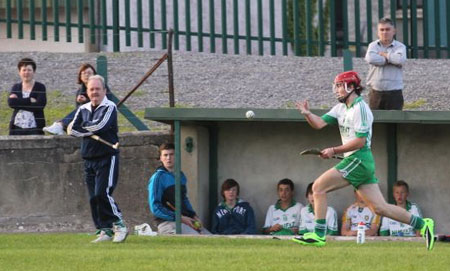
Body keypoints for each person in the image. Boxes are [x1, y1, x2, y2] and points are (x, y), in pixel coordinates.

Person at [292, 70, 435, 250]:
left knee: (318, 187)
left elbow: (360, 142)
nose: (336, 90)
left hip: (359, 159)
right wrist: (307, 113)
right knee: (380, 208)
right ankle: (423, 225)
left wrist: (333, 150)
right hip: (358, 162)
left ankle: (319, 235)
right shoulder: (340, 108)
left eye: (339, 86)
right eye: (335, 86)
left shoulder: (362, 108)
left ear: (351, 87)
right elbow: (319, 123)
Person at [68, 75, 128, 243]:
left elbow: (100, 126)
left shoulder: (110, 107)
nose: (94, 92)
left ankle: (119, 224)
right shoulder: (83, 108)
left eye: (97, 89)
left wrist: (83, 128)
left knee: (103, 193)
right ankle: (105, 230)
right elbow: (72, 129)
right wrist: (86, 130)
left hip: (107, 156)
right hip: (89, 157)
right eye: (91, 89)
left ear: (104, 90)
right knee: (93, 197)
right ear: (87, 91)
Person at [148, 143, 210, 235]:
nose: (168, 158)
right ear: (160, 158)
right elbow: (155, 207)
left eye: (172, 154)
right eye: (165, 155)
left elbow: (184, 199)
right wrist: (178, 218)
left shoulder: (181, 176)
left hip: (185, 220)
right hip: (167, 223)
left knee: (211, 236)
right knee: (198, 238)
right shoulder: (158, 177)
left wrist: (193, 215)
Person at [44, 63, 111, 135]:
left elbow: (106, 102)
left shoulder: (101, 86)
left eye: (89, 73)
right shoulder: (80, 92)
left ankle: (61, 125)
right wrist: (82, 102)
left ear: (94, 75)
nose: (86, 75)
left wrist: (86, 101)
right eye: (84, 73)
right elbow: (78, 111)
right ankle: (62, 126)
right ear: (80, 76)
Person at [365, 17, 406, 110]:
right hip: (376, 92)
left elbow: (399, 60)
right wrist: (390, 60)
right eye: (382, 30)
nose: (384, 32)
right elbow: (370, 59)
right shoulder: (373, 46)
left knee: (394, 123)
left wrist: (384, 54)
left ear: (394, 31)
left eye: (387, 29)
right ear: (378, 32)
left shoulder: (400, 47)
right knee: (376, 123)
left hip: (395, 93)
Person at [8, 58, 47, 135]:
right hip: (16, 127)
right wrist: (29, 100)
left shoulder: (40, 87)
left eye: (29, 70)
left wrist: (18, 103)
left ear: (34, 71)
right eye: (24, 70)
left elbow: (40, 105)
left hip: (35, 128)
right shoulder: (16, 87)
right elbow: (11, 103)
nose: (26, 72)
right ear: (19, 72)